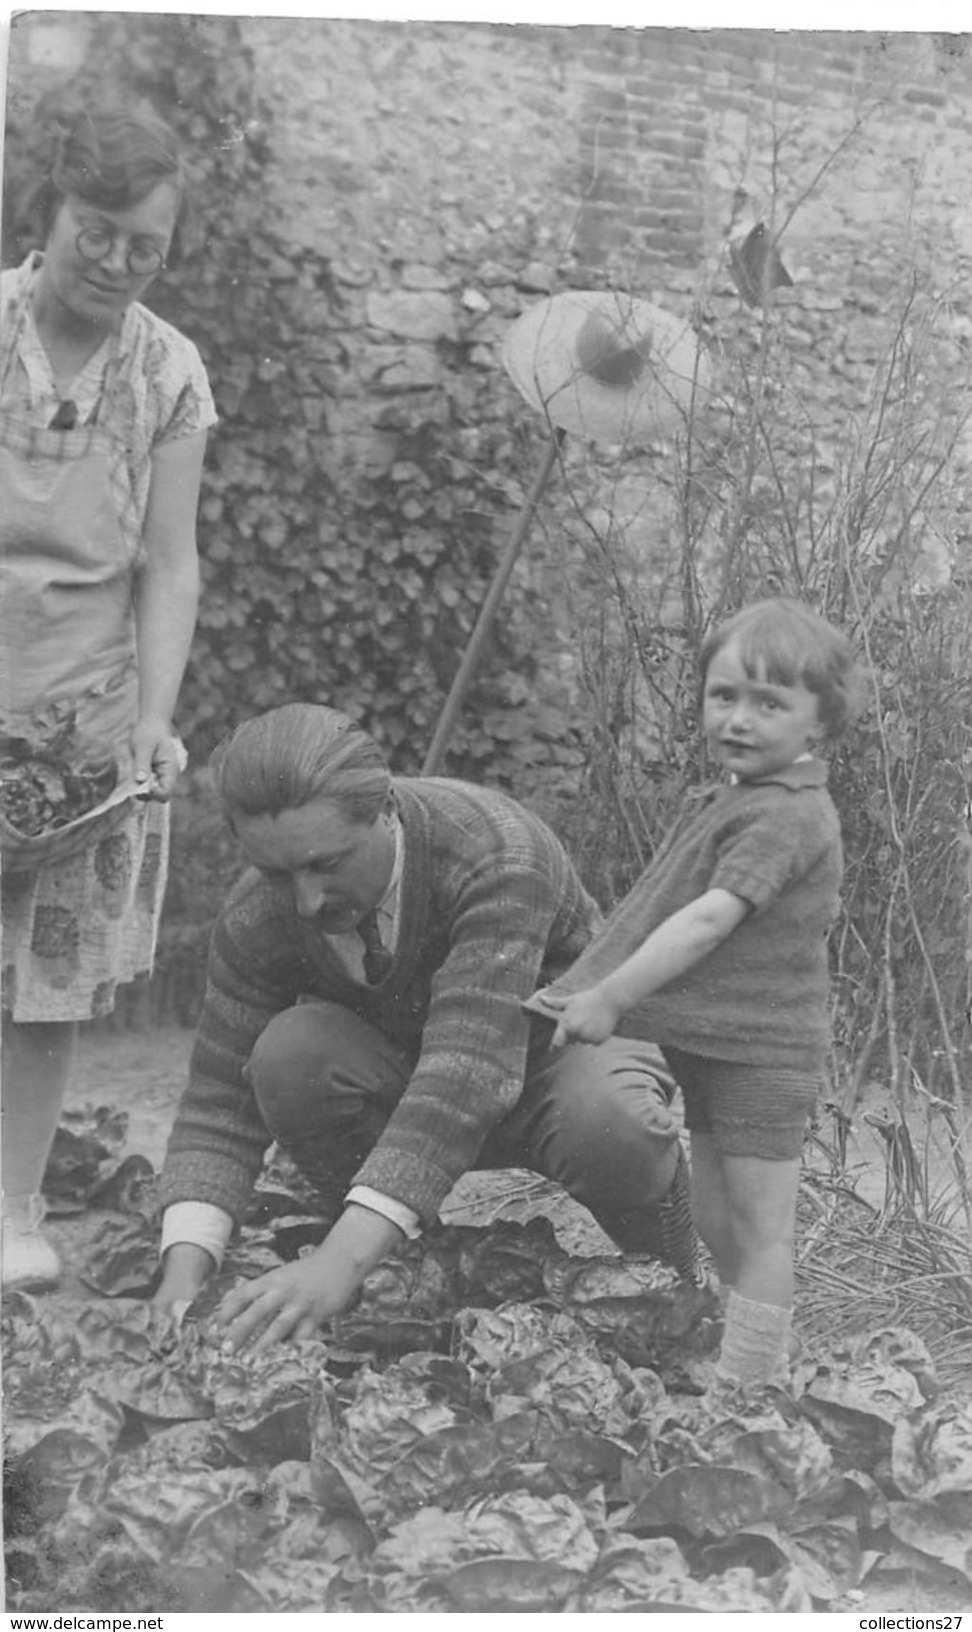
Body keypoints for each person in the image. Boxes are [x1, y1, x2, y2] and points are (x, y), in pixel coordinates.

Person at [154, 702, 698, 1350]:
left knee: (614, 1122)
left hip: (555, 1061)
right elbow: (220, 1100)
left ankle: (674, 1287)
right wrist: (181, 1277)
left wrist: (335, 1261)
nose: (305, 901)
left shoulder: (496, 850)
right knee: (288, 1057)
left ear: (385, 807)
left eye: (325, 865)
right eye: (277, 873)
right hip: (415, 1079)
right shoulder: (257, 916)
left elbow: (466, 1073)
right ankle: (417, 1273)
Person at [525, 598, 862, 1389]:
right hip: (717, 1044)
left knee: (760, 1225)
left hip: (763, 1053)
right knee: (715, 1216)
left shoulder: (788, 815)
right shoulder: (735, 798)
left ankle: (751, 1381)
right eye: (724, 696)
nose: (739, 719)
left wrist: (610, 995)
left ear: (821, 723)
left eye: (769, 703)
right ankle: (746, 1346)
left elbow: (707, 920)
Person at [1, 99, 216, 1291]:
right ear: (52, 211)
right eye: (100, 232)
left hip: (78, 723)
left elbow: (168, 561)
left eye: (148, 245)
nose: (121, 263)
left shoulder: (168, 369)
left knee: (42, 984)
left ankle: (15, 1212)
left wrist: (152, 716)